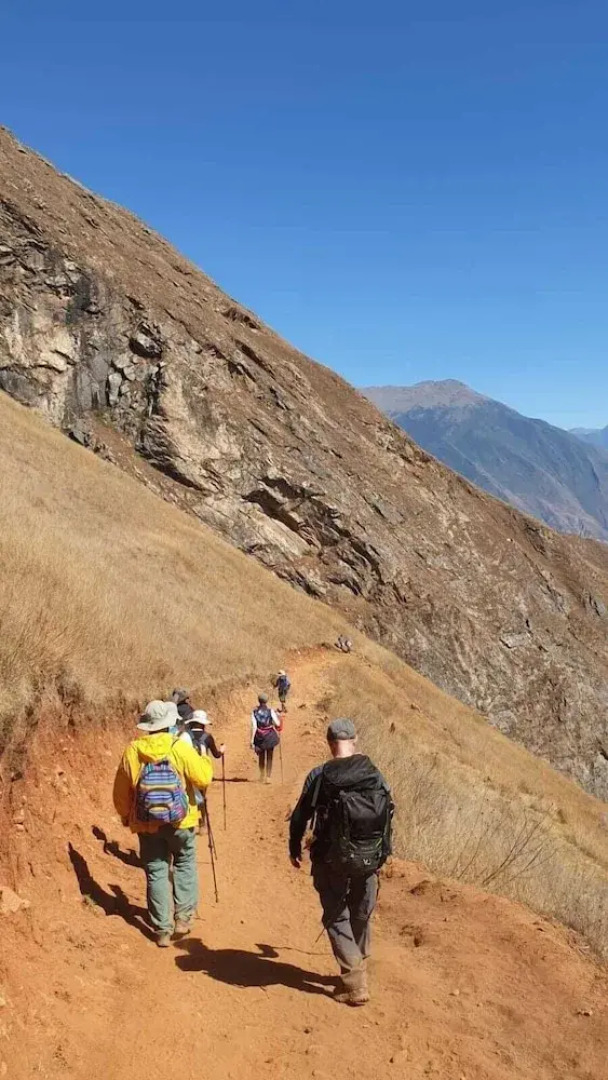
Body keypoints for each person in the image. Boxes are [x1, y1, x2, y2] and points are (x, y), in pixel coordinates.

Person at [289, 718, 393, 1006]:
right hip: (369, 856)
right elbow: (389, 813)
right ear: (355, 739)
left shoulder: (321, 775)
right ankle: (357, 963)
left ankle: (354, 980)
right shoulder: (375, 774)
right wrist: (382, 852)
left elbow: (300, 816)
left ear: (329, 742)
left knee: (335, 913)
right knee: (361, 911)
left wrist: (294, 846)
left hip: (330, 857)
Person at [113, 699, 213, 947]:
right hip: (181, 820)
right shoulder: (179, 746)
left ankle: (162, 930)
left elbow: (120, 792)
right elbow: (203, 778)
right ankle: (183, 918)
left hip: (146, 824)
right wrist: (206, 760)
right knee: (184, 863)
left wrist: (126, 815)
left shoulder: (133, 751)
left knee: (156, 871)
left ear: (147, 725)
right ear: (169, 724)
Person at [251, 693, 281, 783]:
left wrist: (252, 740)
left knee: (261, 756)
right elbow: (277, 724)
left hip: (259, 737)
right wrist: (278, 717)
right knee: (270, 756)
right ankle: (268, 777)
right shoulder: (270, 711)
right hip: (270, 736)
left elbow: (254, 727)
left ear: (259, 701)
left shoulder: (254, 712)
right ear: (266, 701)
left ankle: (261, 775)